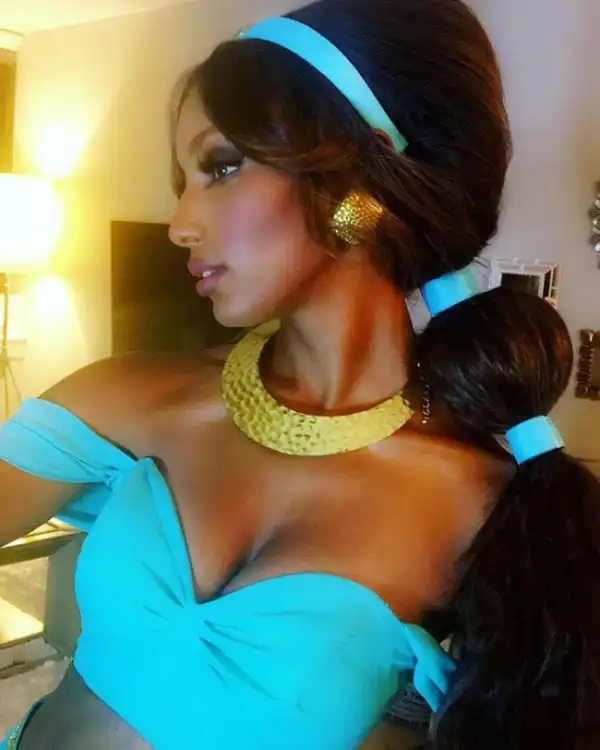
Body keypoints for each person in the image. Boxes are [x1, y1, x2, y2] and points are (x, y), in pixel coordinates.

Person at [1, 0, 599, 748]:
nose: (181, 223)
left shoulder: (482, 504)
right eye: (183, 180)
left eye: (221, 167)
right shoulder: (130, 396)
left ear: (356, 188)